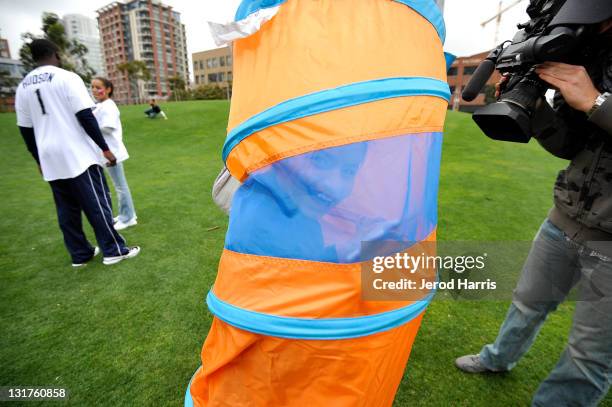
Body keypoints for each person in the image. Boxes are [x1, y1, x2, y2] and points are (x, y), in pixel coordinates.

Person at [455, 18, 612, 407]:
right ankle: (497, 358)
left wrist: (598, 103)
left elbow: (597, 107)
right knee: (528, 301)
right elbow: (570, 146)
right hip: (565, 216)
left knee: (588, 353)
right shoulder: (596, 56)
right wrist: (538, 104)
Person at [15, 39, 141, 267]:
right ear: (56, 53)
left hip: (49, 155)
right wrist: (105, 148)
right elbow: (85, 116)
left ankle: (80, 254)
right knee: (97, 202)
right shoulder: (66, 77)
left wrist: (38, 159)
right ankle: (114, 250)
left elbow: (25, 129)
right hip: (76, 153)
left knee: (66, 208)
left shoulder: (23, 86)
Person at [91, 77, 138, 231]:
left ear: (108, 89)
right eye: (93, 87)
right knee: (119, 185)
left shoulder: (108, 106)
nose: (95, 91)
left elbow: (108, 127)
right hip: (107, 152)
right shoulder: (100, 106)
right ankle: (127, 213)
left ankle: (128, 218)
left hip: (112, 153)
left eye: (99, 87)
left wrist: (89, 125)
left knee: (120, 186)